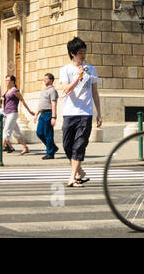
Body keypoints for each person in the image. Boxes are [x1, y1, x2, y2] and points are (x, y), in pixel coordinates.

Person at [59, 38, 102, 187]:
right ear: (72, 53)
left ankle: (72, 178)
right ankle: (79, 171)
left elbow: (95, 93)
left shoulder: (91, 69)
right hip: (69, 112)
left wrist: (99, 113)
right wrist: (78, 76)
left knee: (80, 145)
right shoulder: (65, 70)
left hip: (86, 113)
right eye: (80, 52)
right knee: (67, 146)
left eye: (84, 51)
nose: (83, 55)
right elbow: (66, 89)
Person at [2, 76, 31, 155]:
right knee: (16, 133)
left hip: (13, 113)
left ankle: (0, 150)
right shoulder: (7, 91)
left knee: (6, 131)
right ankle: (25, 148)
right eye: (6, 80)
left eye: (8, 80)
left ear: (13, 82)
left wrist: (29, 111)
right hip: (7, 113)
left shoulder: (15, 90)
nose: (6, 82)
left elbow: (22, 100)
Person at [36, 73, 59, 159]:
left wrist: (53, 117)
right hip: (42, 114)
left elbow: (54, 104)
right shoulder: (44, 90)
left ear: (51, 80)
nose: (44, 80)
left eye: (46, 78)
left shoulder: (52, 90)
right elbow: (40, 104)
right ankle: (53, 147)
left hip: (48, 113)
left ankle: (50, 153)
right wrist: (36, 115)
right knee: (39, 133)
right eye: (44, 78)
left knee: (48, 134)